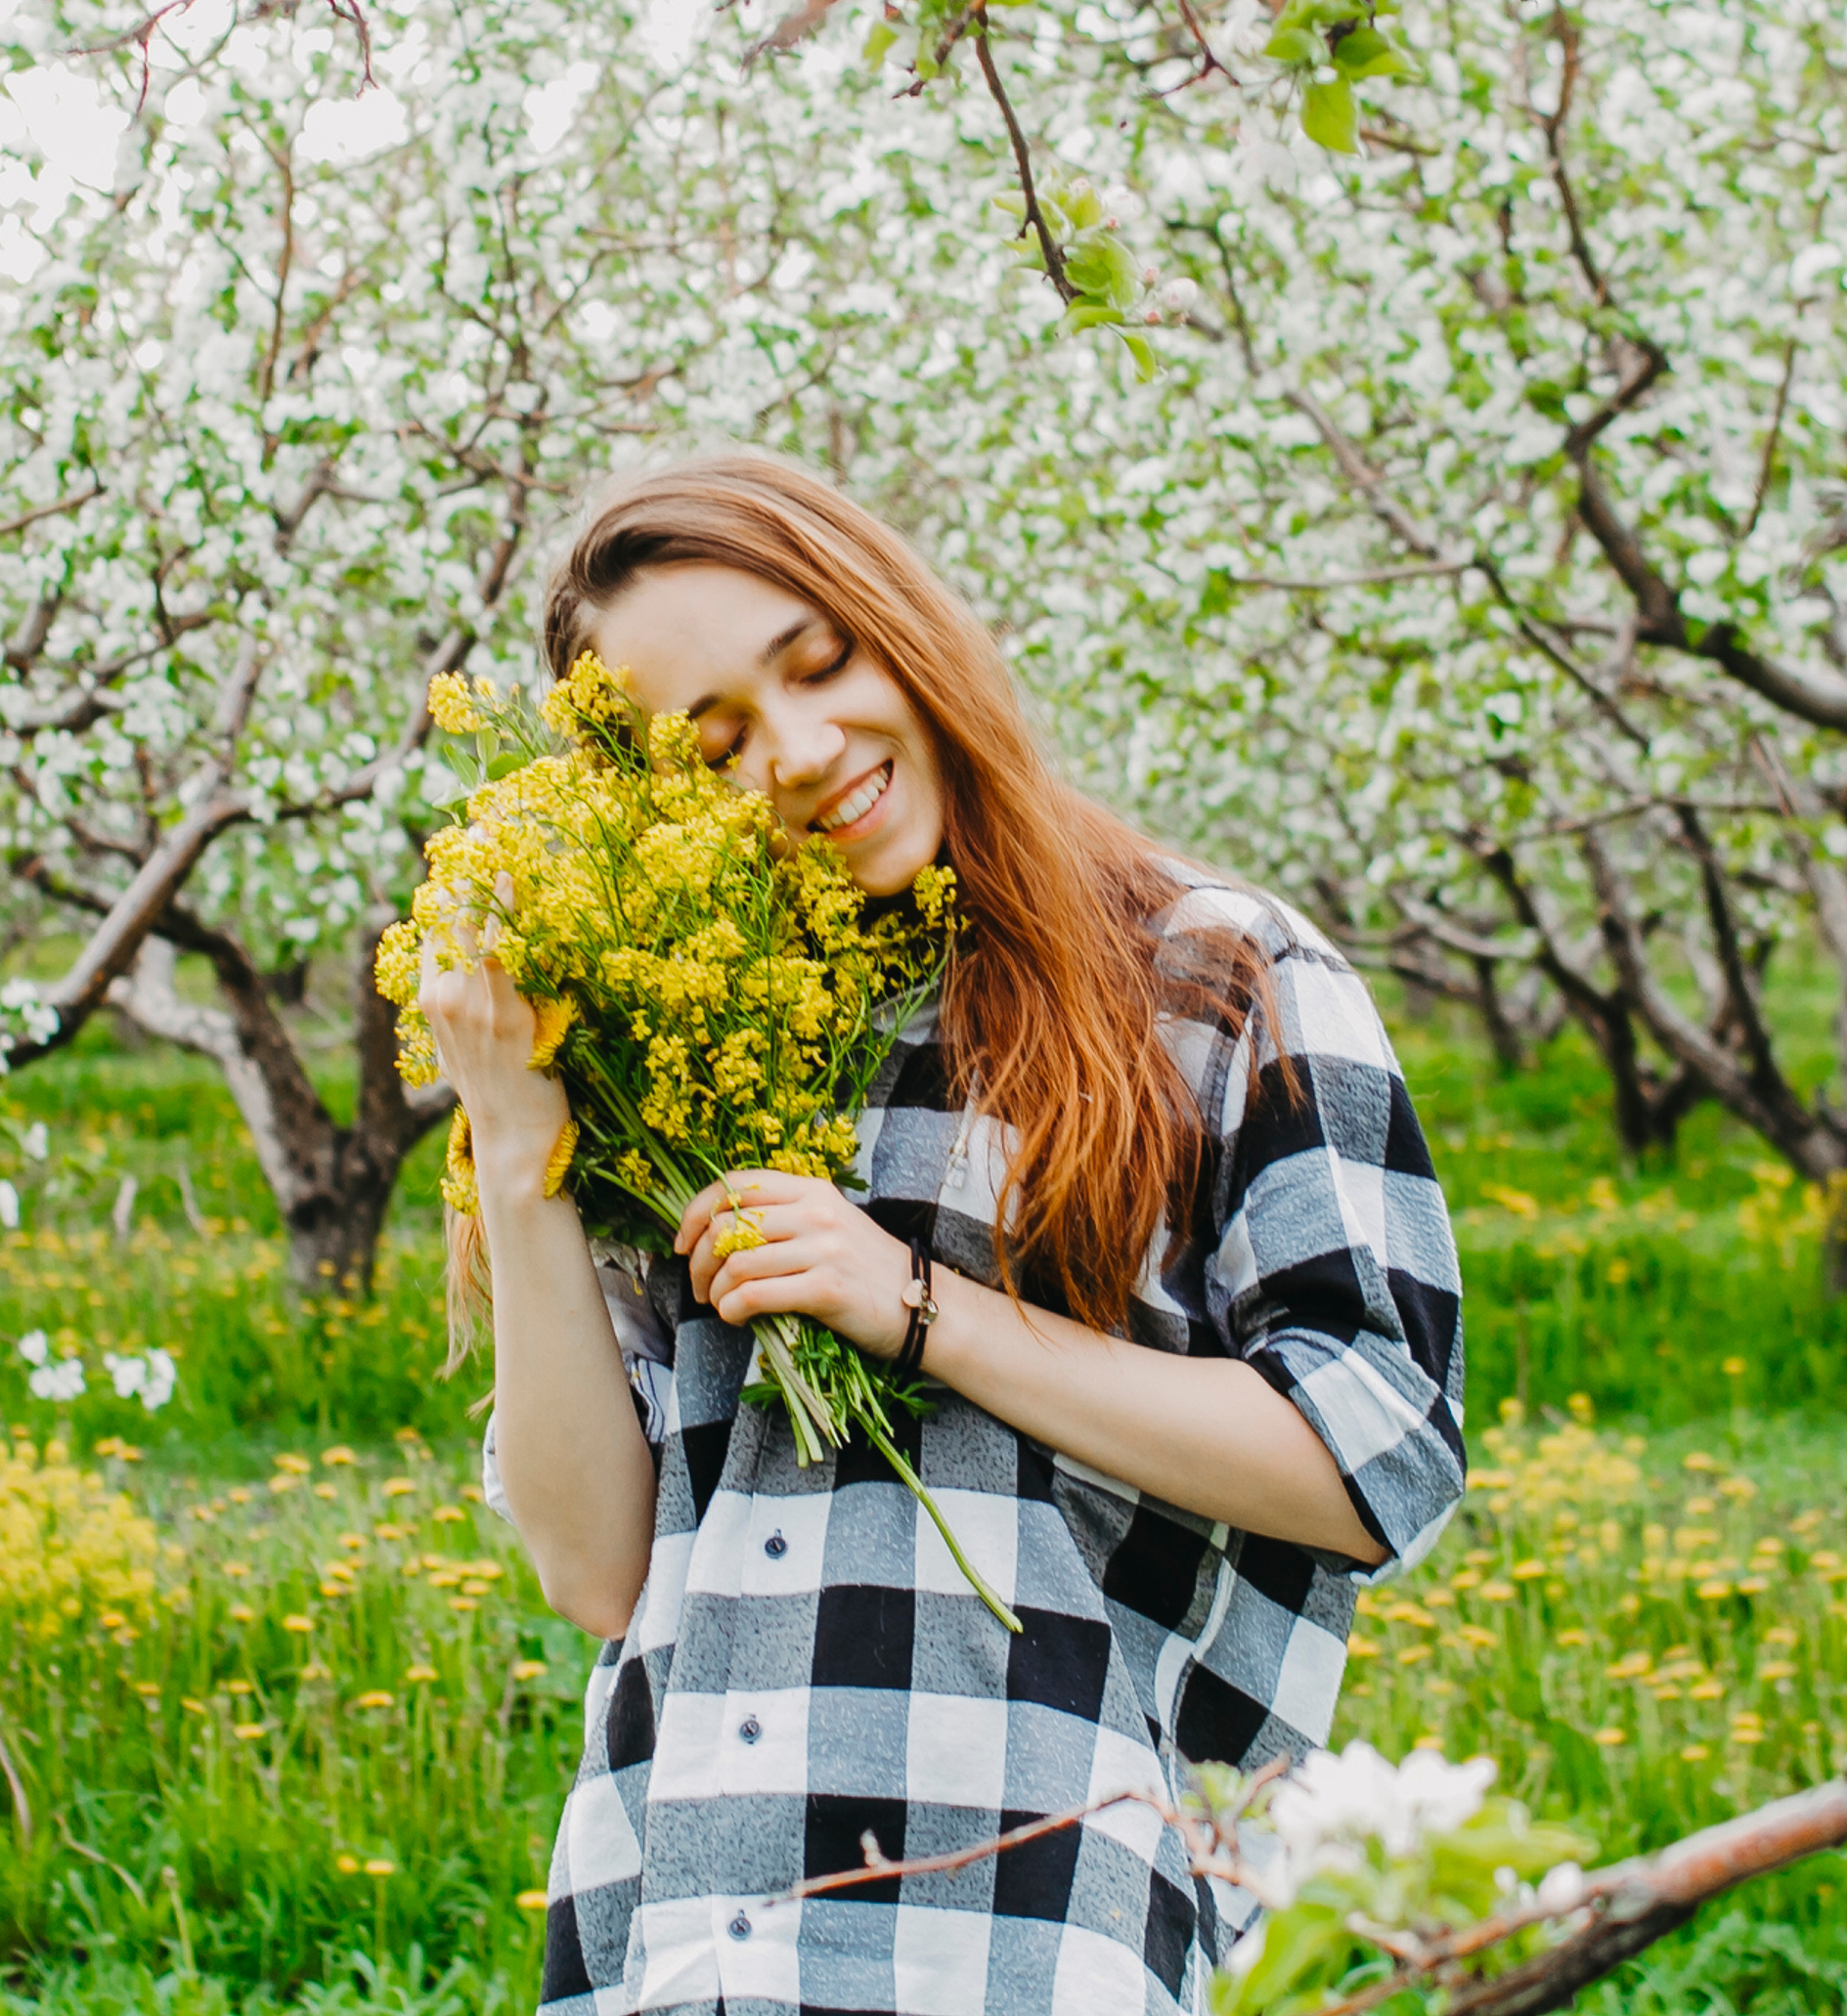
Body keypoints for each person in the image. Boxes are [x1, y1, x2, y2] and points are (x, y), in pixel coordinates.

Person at [416, 450, 1463, 2016]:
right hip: (685, 1933)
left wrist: (924, 1309)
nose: (802, 750)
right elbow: (592, 1567)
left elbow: (1378, 1460)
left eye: (818, 663)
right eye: (714, 747)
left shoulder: (1213, 976)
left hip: (1038, 1932)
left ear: (898, 620)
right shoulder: (667, 1061)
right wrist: (519, 1138)